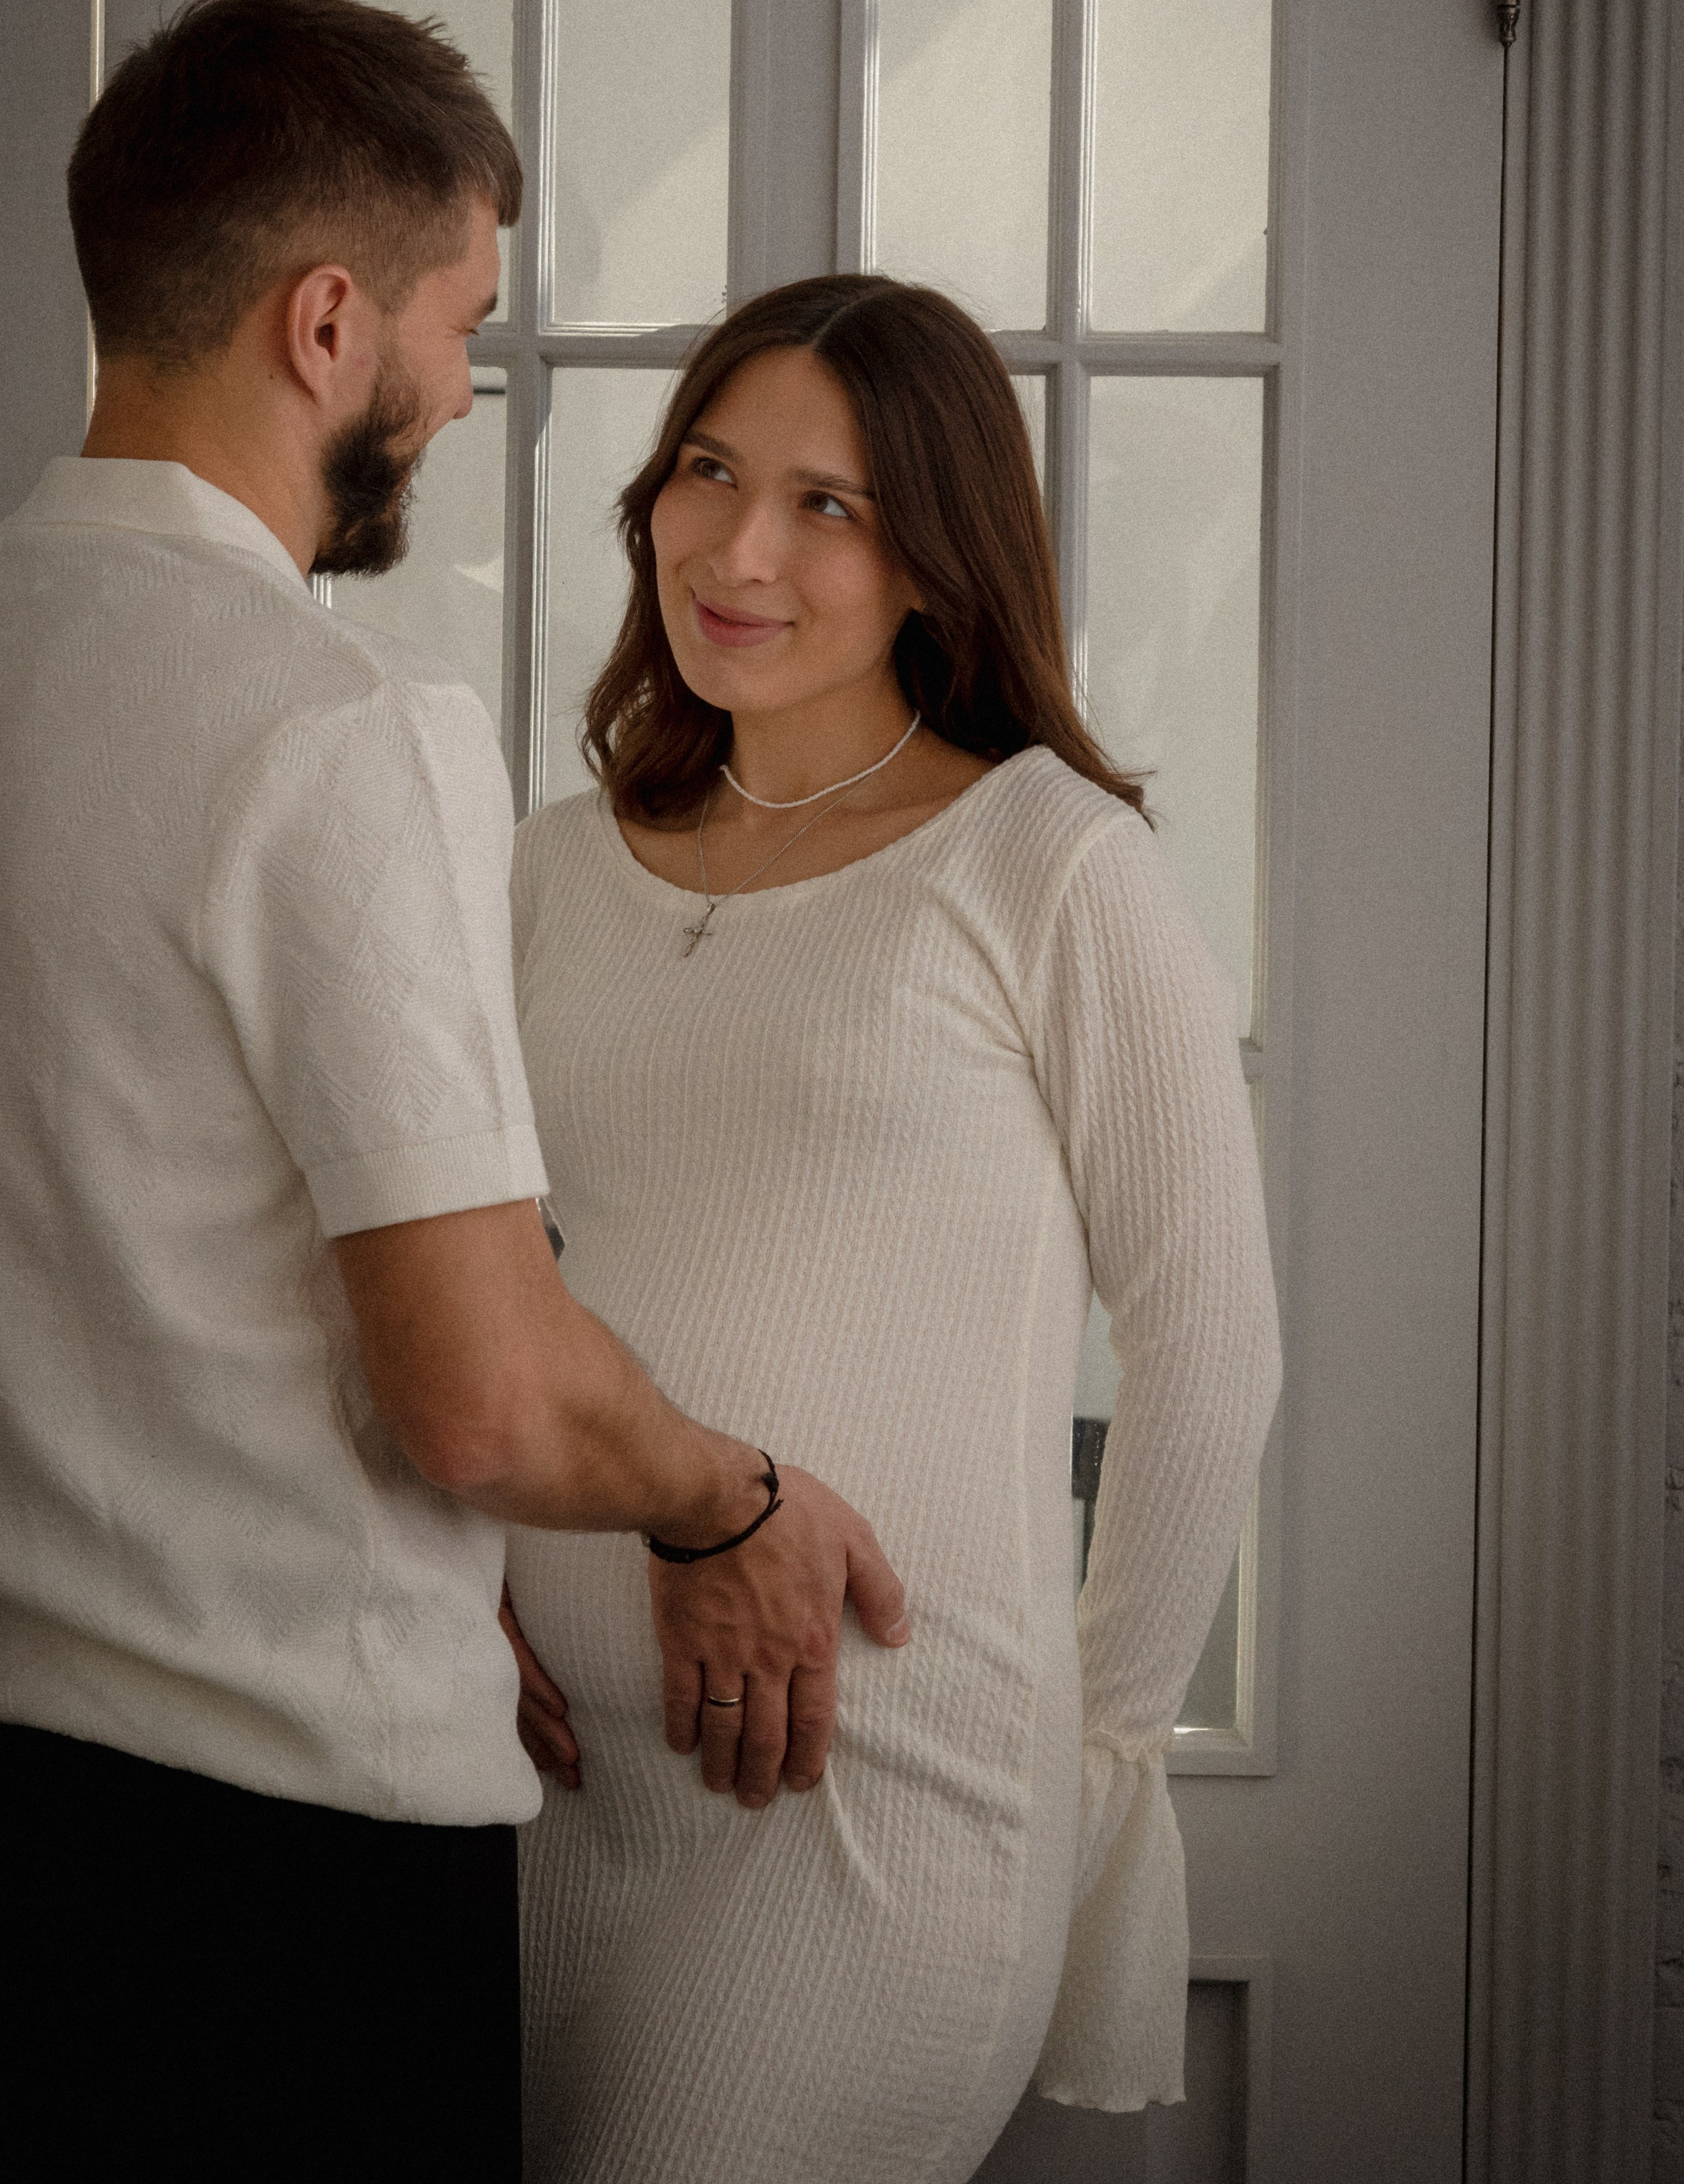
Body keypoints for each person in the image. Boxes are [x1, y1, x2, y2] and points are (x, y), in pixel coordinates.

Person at [0, 0, 907, 2183]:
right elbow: (481, 1402)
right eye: (460, 332)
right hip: (276, 1822)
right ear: (327, 320)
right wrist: (729, 1500)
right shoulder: (335, 725)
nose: (458, 395)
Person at [499, 274, 1283, 2184]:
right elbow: (480, 1280)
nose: (739, 547)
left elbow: (1208, 1342)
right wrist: (462, 1590)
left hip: (878, 1804)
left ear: (940, 557)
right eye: (707, 470)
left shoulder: (1047, 864)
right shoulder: (547, 864)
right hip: (549, 1802)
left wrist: (1078, 1748)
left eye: (827, 506)